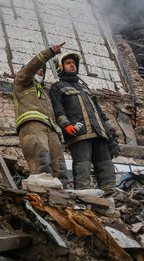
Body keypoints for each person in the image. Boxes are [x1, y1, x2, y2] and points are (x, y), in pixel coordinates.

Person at [49, 52, 120, 190]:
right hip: (79, 134)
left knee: (106, 166)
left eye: (74, 63)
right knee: (83, 166)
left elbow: (100, 113)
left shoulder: (85, 88)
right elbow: (58, 110)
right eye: (68, 63)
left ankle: (111, 193)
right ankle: (84, 194)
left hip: (99, 133)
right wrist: (66, 126)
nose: (72, 65)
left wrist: (110, 131)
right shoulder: (57, 87)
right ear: (60, 67)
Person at [13, 43, 69, 186]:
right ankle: (44, 200)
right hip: (32, 126)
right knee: (41, 164)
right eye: (39, 68)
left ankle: (63, 201)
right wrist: (49, 53)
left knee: (60, 168)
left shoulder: (44, 92)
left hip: (50, 129)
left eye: (43, 70)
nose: (41, 71)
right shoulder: (21, 81)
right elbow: (30, 67)